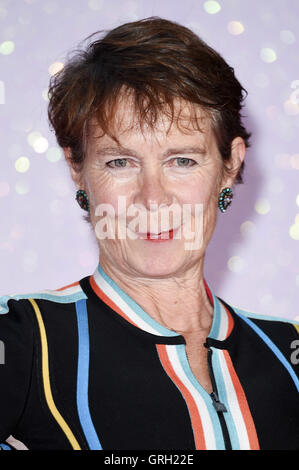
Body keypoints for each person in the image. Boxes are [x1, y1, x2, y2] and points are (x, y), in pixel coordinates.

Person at [0, 16, 298, 451]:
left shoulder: (287, 349)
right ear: (78, 171)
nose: (152, 198)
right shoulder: (25, 338)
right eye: (120, 162)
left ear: (229, 165)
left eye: (182, 160)